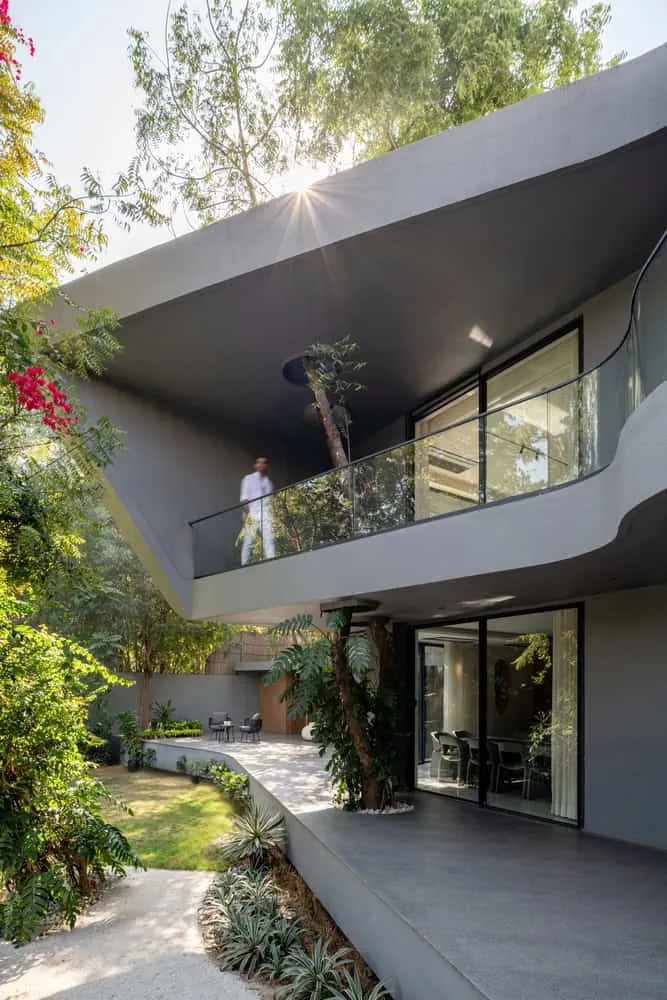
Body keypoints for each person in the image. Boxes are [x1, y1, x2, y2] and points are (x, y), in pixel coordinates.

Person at [240, 456, 275, 565]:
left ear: (267, 466)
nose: (261, 465)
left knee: (269, 539)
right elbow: (244, 498)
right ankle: (244, 564)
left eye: (264, 463)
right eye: (259, 462)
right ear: (255, 465)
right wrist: (248, 515)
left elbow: (270, 501)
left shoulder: (269, 483)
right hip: (252, 513)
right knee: (248, 541)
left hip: (265, 514)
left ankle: (271, 562)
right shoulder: (248, 478)